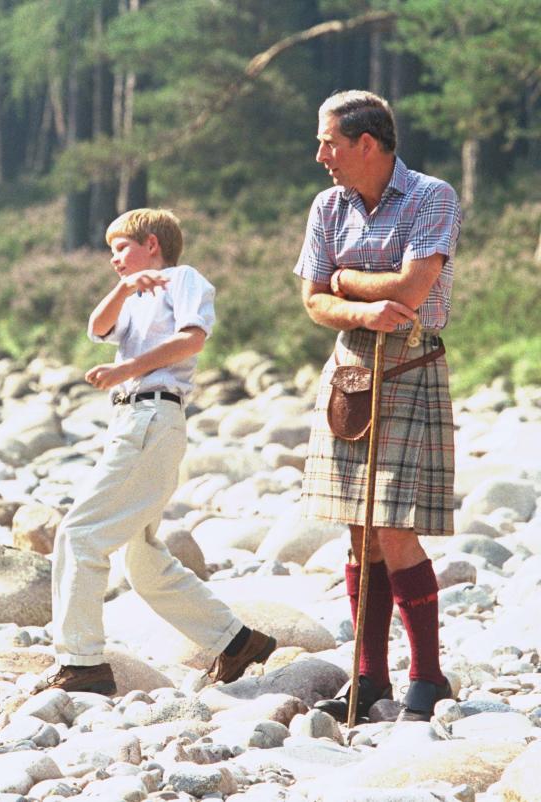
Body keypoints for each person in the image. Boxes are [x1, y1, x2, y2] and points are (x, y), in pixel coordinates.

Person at [47, 208, 276, 695]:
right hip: (132, 418)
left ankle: (81, 662)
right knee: (142, 558)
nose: (114, 260)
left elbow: (192, 339)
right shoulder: (131, 294)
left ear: (153, 244)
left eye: (122, 249)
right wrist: (126, 287)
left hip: (152, 417)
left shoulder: (183, 279)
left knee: (80, 534)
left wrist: (127, 370)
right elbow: (97, 327)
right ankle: (236, 642)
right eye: (111, 253)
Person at [294, 90, 461, 723]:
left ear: (367, 143)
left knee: (394, 526)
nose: (320, 156)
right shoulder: (327, 206)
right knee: (359, 530)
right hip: (349, 373)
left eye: (329, 143)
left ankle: (427, 677)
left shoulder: (432, 196)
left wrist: (343, 278)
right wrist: (359, 304)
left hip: (411, 364)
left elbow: (413, 289)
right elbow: (313, 299)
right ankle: (369, 679)